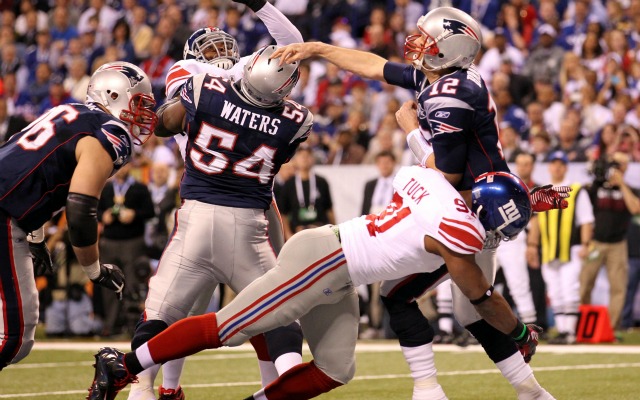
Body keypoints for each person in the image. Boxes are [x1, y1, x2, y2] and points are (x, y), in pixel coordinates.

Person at [272, 7, 564, 399]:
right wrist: (320, 48)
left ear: (450, 50)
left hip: (468, 211)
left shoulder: (452, 94)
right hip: (472, 207)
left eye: (428, 40)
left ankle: (431, 387)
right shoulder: (445, 80)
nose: (416, 43)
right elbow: (375, 66)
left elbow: (447, 175)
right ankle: (530, 389)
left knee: (405, 296)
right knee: (469, 309)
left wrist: (409, 131)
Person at [88, 169, 541, 400]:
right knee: (229, 328)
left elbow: (416, 141)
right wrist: (520, 333)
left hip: (343, 273)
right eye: (507, 226)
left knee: (336, 367)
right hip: (324, 260)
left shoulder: (432, 180)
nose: (500, 236)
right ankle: (125, 365)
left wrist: (524, 198)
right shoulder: (458, 231)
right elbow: (483, 299)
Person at [129, 1, 307, 397]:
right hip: (223, 195)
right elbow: (197, 96)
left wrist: (260, 7)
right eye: (211, 50)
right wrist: (247, 68)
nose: (223, 56)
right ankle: (163, 386)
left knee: (181, 306)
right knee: (195, 307)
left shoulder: (223, 78)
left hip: (240, 198)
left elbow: (292, 45)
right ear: (194, 56)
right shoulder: (189, 74)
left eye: (228, 48)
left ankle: (144, 382)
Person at [0, 61, 157, 370]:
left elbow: (29, 164)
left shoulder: (67, 112)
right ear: (113, 95)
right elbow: (81, 210)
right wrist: (95, 270)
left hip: (8, 207)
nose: (143, 115)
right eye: (139, 103)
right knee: (13, 338)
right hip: (4, 213)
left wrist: (36, 233)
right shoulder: (110, 132)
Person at [528, 151, 594, 344]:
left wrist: (585, 244)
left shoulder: (575, 191)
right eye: (553, 163)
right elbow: (537, 223)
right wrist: (532, 246)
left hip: (571, 248)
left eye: (560, 164)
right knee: (555, 291)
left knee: (569, 288)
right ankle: (563, 330)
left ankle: (570, 332)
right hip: (548, 249)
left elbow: (586, 220)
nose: (557, 167)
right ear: (549, 167)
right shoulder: (542, 192)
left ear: (565, 167)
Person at [580, 152, 640, 331]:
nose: (616, 167)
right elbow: (582, 204)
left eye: (620, 164)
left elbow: (635, 208)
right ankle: (584, 326)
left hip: (618, 245)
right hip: (595, 243)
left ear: (626, 167)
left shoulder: (630, 190)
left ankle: (612, 329)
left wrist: (621, 184)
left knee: (618, 287)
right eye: (614, 163)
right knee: (584, 284)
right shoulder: (596, 187)